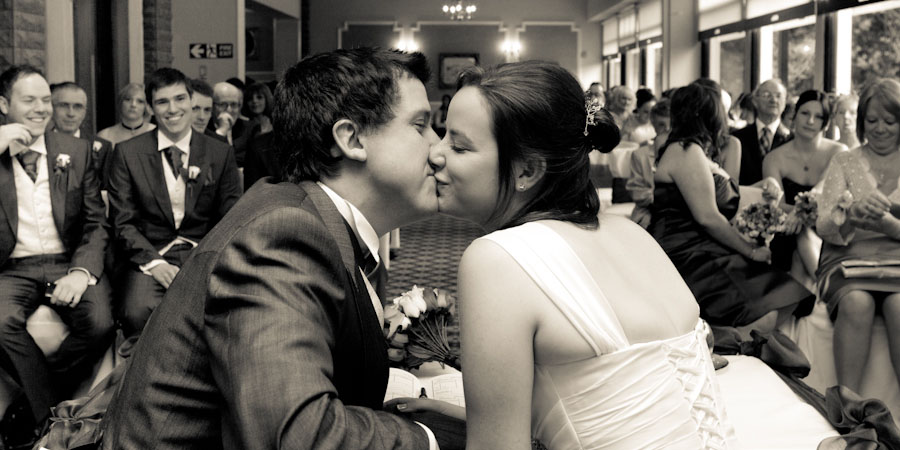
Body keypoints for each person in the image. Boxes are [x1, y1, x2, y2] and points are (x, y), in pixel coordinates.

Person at [103, 47, 463, 449]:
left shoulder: (310, 216)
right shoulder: (283, 234)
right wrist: (433, 438)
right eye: (421, 125)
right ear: (351, 138)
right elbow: (296, 436)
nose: (438, 147)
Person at [392, 60, 736, 449]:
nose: (434, 154)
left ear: (526, 171)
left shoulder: (497, 259)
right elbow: (608, 396)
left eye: (458, 145)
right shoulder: (632, 233)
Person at [647, 80, 814, 332]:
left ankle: (733, 344)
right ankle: (724, 343)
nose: (725, 118)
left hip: (704, 246)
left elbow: (726, 195)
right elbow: (708, 217)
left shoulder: (695, 151)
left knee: (786, 297)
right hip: (689, 251)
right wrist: (750, 251)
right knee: (773, 304)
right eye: (720, 111)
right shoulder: (685, 151)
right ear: (704, 114)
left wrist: (764, 186)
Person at [0, 65, 113, 433]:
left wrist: (81, 273)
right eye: (28, 100)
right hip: (13, 268)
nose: (41, 108)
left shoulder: (77, 151)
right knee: (0, 322)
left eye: (45, 99)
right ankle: (51, 414)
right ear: (4, 104)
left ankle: (35, 400)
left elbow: (96, 222)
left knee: (99, 324)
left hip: (68, 261)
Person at [106, 68, 242, 337]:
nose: (173, 109)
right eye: (162, 102)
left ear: (191, 101)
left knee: (223, 311)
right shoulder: (127, 153)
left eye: (180, 99)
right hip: (149, 254)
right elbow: (123, 222)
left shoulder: (220, 153)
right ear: (151, 109)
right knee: (137, 311)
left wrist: (209, 259)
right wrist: (155, 265)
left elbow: (231, 217)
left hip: (204, 252)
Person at [816, 78, 900, 394]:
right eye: (872, 120)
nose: (879, 129)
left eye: (889, 121)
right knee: (855, 303)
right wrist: (849, 216)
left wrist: (890, 226)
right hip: (848, 261)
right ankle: (848, 412)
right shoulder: (845, 160)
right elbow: (823, 225)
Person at [763, 90, 847, 285]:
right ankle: (826, 288)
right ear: (794, 115)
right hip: (787, 231)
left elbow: (822, 188)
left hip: (829, 229)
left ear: (826, 123)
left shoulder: (838, 152)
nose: (810, 121)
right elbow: (777, 206)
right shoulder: (774, 158)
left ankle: (810, 301)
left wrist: (802, 213)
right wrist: (800, 214)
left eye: (818, 117)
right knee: (800, 236)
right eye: (805, 113)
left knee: (803, 240)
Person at [50, 82, 114, 187]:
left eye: (78, 107)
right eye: (64, 105)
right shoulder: (40, 144)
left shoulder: (103, 149)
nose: (71, 113)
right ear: (51, 108)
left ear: (85, 112)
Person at [734, 79, 792, 185]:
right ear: (755, 101)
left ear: (784, 103)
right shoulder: (737, 138)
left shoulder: (792, 140)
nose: (773, 100)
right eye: (767, 95)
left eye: (778, 96)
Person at [627, 98, 670, 228]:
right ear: (653, 124)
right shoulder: (640, 155)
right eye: (662, 124)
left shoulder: (687, 153)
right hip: (649, 212)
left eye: (671, 125)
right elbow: (637, 192)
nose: (667, 129)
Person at [206, 81, 261, 167]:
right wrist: (221, 132)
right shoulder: (204, 129)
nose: (229, 110)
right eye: (223, 104)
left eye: (234, 104)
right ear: (212, 106)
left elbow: (253, 162)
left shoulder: (251, 129)